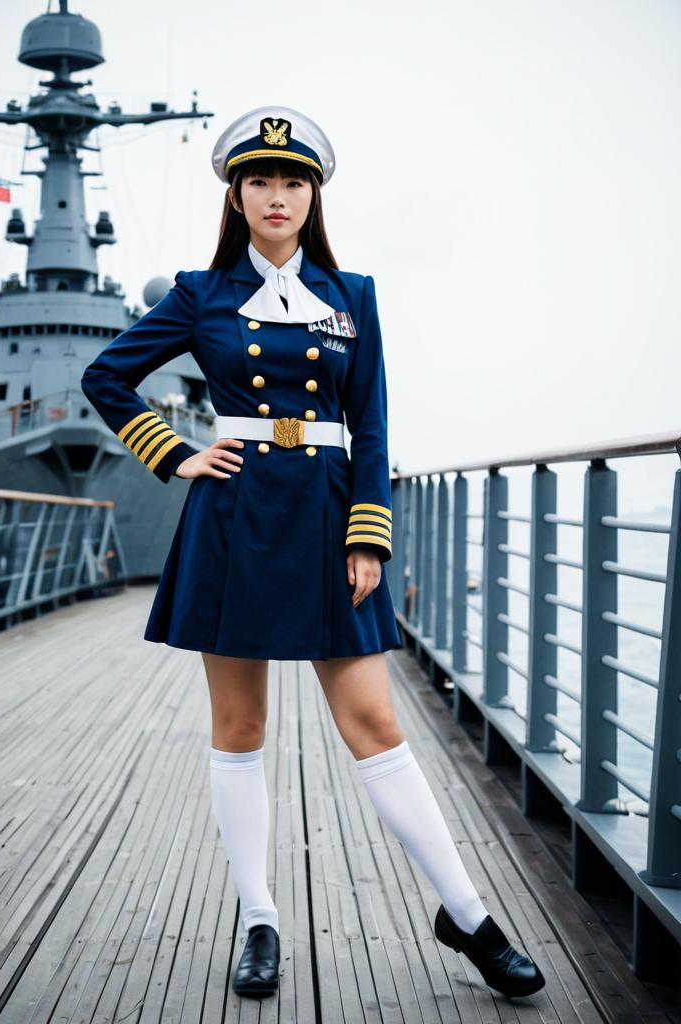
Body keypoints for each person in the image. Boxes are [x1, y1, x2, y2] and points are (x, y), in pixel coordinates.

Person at [80, 105, 545, 1001]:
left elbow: (370, 421)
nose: (277, 196)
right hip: (234, 517)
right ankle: (259, 918)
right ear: (236, 196)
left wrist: (369, 533)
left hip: (328, 519)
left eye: (292, 181)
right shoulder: (201, 293)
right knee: (240, 728)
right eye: (259, 181)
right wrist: (174, 452)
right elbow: (107, 374)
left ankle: (468, 916)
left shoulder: (351, 294)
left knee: (375, 723)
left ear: (312, 195)